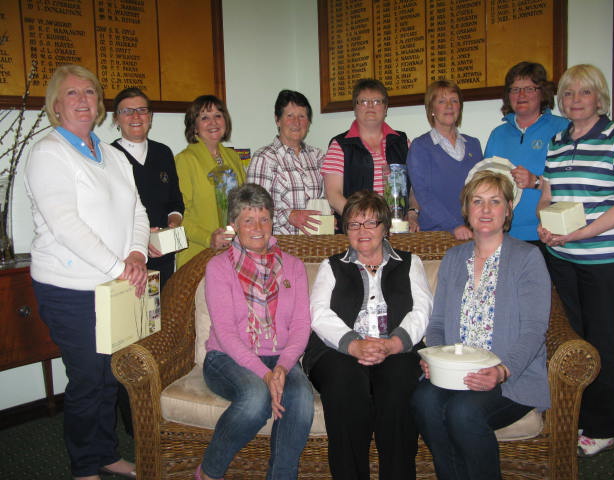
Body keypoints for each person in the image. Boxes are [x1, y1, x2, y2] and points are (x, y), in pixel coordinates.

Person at [24, 65, 147, 480]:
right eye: (72, 93)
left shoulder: (113, 155)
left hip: (114, 284)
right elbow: (66, 225)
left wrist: (135, 254)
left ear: (99, 105)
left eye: (90, 92)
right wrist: (120, 267)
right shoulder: (47, 153)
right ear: (56, 106)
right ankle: (83, 466)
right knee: (86, 380)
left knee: (110, 377)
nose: (82, 100)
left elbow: (137, 211)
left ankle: (106, 453)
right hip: (70, 289)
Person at [411, 170, 551, 480]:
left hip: (511, 377)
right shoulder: (453, 258)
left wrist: (502, 371)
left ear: (508, 210)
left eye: (495, 201)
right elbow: (436, 324)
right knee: (422, 401)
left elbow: (533, 328)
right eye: (477, 201)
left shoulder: (528, 258)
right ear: (467, 210)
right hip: (455, 371)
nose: (486, 210)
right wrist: (433, 359)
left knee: (464, 413)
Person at [537, 64, 614, 457]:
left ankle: (603, 427)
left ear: (599, 97)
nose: (574, 100)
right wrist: (545, 225)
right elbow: (547, 195)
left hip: (604, 261)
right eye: (567, 93)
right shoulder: (558, 141)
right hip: (561, 258)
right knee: (570, 341)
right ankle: (574, 414)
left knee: (602, 343)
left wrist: (582, 232)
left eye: (583, 92)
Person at [303, 190, 432, 480]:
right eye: (354, 224)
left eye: (371, 223)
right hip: (338, 351)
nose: (362, 231)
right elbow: (320, 314)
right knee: (344, 383)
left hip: (396, 348)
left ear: (385, 227)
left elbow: (422, 311)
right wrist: (354, 345)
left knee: (399, 384)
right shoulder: (332, 265)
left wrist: (393, 344)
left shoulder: (412, 263)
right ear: (345, 229)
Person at [196, 183, 314, 480]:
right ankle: (208, 472)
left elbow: (301, 326)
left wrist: (283, 368)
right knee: (255, 399)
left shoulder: (294, 267)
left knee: (300, 401)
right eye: (248, 220)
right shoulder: (218, 267)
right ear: (234, 224)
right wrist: (265, 374)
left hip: (281, 357)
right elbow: (224, 332)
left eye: (264, 218)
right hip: (227, 357)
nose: (258, 227)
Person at [484, 61, 568, 245]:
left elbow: (574, 183)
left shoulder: (563, 129)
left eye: (529, 88)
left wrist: (536, 182)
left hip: (550, 236)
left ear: (542, 92)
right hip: (504, 235)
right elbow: (485, 184)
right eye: (515, 89)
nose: (521, 95)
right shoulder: (498, 134)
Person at [111, 87, 184, 290]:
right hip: (128, 260)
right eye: (127, 111)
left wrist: (173, 225)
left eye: (142, 110)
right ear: (116, 119)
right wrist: (142, 240)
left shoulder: (163, 152)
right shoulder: (108, 156)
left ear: (150, 117)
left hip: (163, 254)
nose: (136, 116)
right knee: (134, 319)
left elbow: (175, 201)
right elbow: (110, 213)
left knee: (162, 317)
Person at [321, 79, 415, 224]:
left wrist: (412, 212)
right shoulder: (340, 145)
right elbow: (333, 195)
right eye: (364, 101)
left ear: (386, 108)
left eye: (377, 101)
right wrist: (364, 221)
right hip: (358, 232)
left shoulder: (403, 142)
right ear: (355, 108)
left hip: (399, 228)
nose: (370, 106)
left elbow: (414, 187)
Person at [175, 95, 246, 268]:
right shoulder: (185, 160)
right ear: (194, 127)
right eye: (204, 117)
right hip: (198, 255)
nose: (213, 122)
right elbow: (179, 216)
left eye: (218, 115)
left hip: (234, 254)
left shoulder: (233, 157)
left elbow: (244, 204)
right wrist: (209, 238)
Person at [406, 80, 482, 238]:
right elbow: (423, 194)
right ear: (431, 109)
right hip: (436, 237)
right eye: (442, 101)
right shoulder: (421, 147)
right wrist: (454, 226)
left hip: (473, 234)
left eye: (454, 100)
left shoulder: (474, 145)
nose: (449, 106)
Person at [247, 90, 325, 234]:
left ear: (308, 122)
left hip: (316, 244)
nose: (297, 122)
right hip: (280, 246)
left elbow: (325, 198)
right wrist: (288, 216)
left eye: (302, 116)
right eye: (290, 116)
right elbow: (253, 209)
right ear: (277, 120)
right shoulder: (264, 158)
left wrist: (328, 215)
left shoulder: (318, 156)